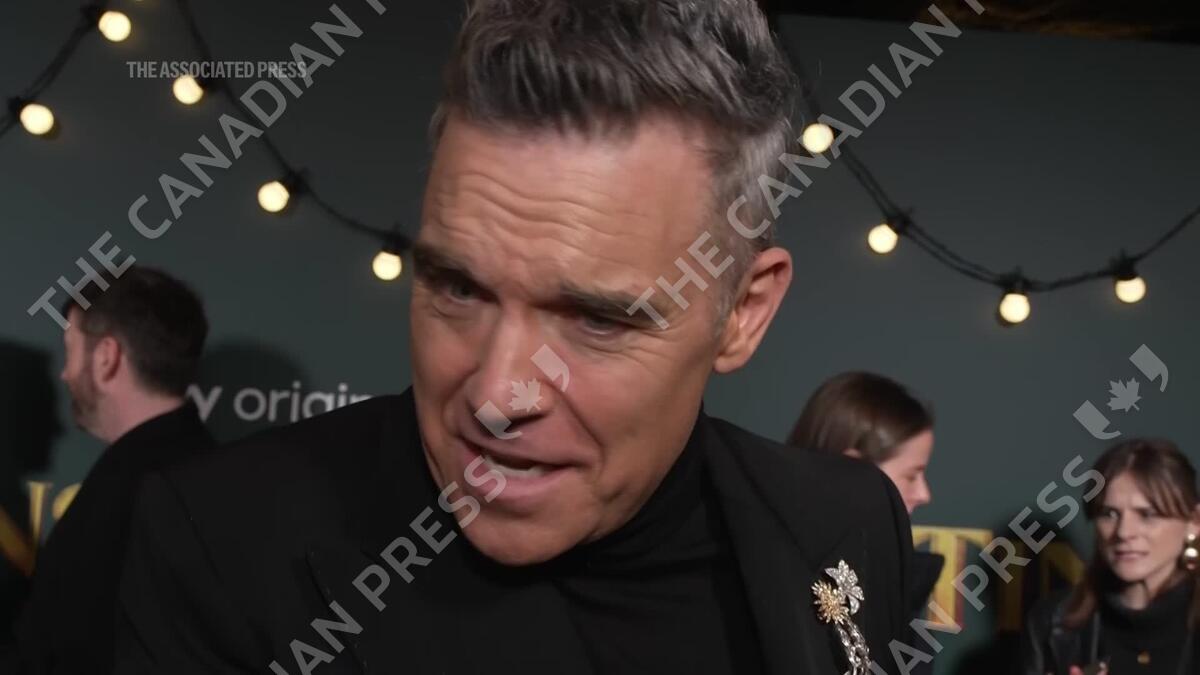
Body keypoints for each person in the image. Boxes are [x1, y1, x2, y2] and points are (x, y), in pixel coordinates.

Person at [114, 2, 913, 674]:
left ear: (742, 310)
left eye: (598, 319)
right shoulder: (219, 544)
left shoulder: (848, 521)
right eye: (458, 288)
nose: (498, 394)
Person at [6, 266, 214, 673]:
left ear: (105, 357)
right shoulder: (207, 469)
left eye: (70, 351)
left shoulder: (131, 491)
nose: (65, 373)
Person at [789, 371, 941, 673]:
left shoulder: (905, 583)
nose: (924, 494)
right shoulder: (771, 569)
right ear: (852, 467)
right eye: (911, 475)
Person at [1021, 439, 1200, 675]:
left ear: (1194, 522)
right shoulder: (1052, 623)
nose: (1124, 532)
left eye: (1147, 515)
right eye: (1110, 514)